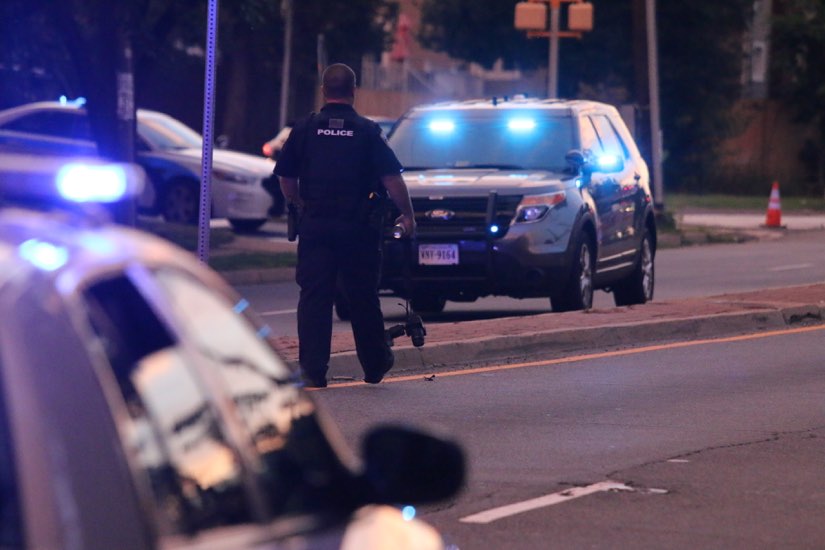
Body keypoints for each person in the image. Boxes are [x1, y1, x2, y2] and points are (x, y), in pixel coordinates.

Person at [275, 63, 415, 388]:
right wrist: (407, 215)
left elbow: (286, 177)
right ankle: (375, 365)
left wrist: (298, 203)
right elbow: (391, 179)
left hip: (316, 227)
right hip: (359, 229)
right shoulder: (367, 131)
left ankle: (313, 370)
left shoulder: (305, 129)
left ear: (324, 90)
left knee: (314, 298)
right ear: (354, 91)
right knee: (363, 296)